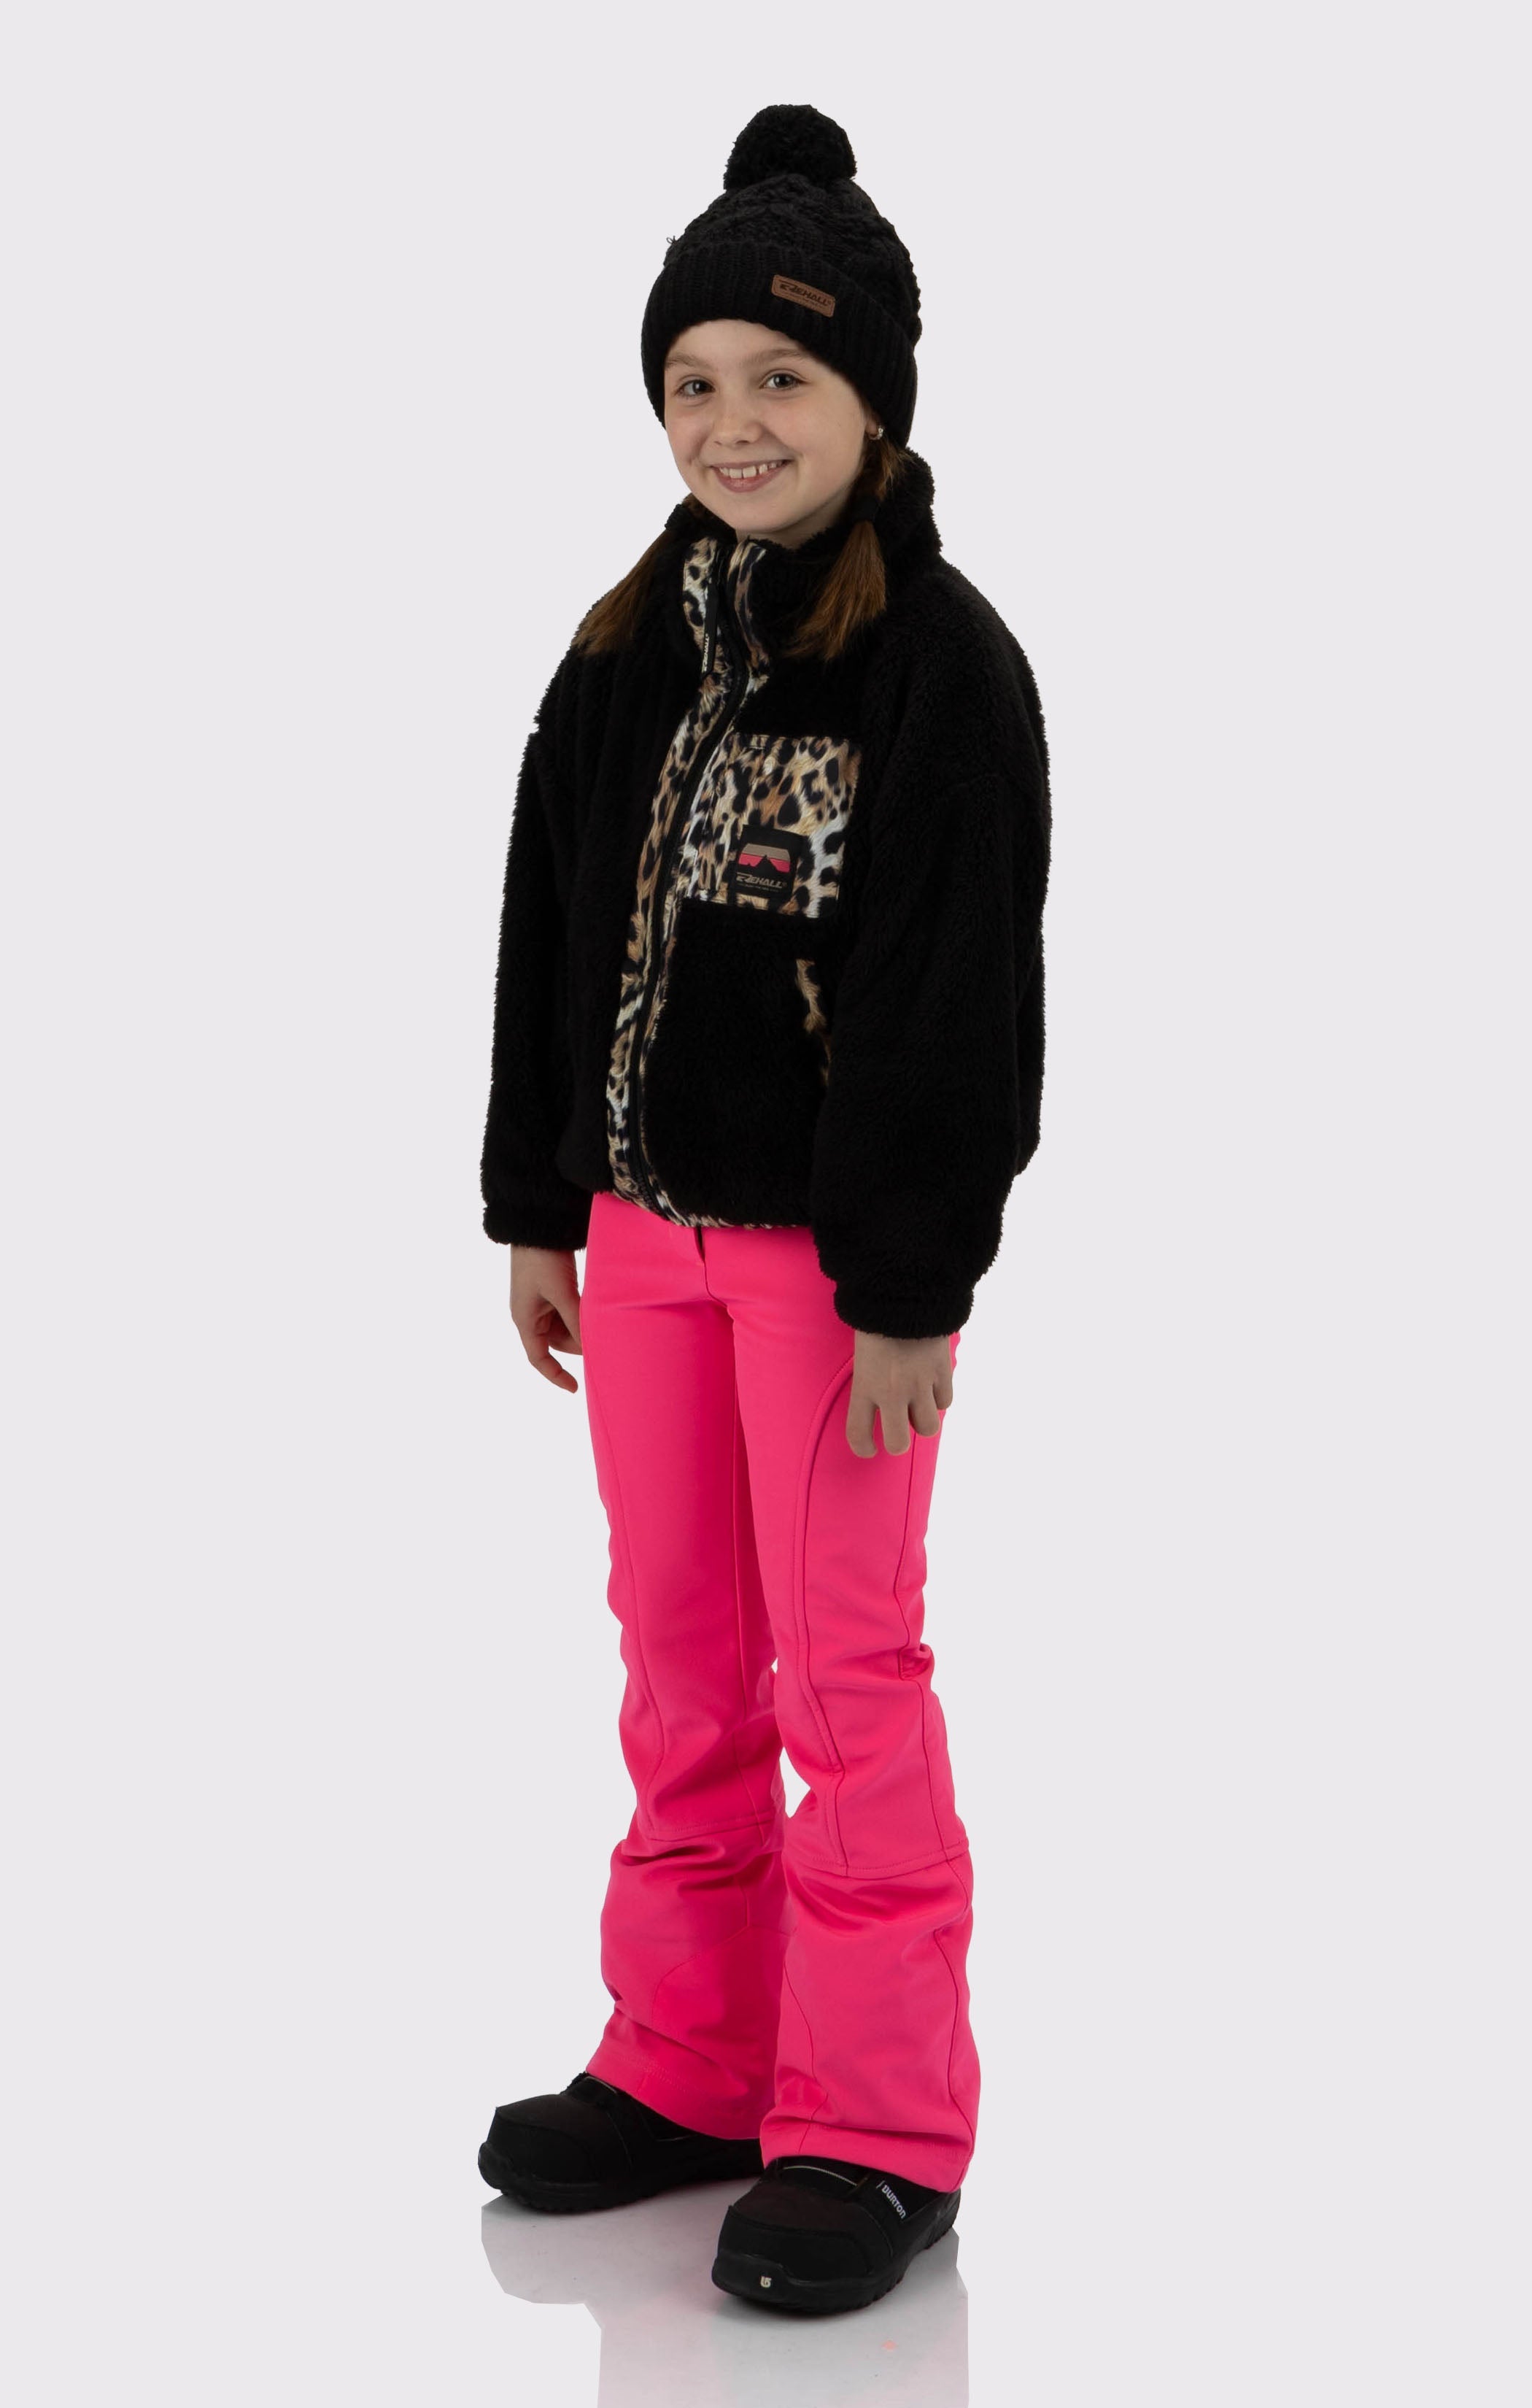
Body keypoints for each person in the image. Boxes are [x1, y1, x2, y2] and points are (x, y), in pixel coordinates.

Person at [476, 102, 1051, 2318]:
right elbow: (544, 928)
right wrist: (541, 1198)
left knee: (847, 1670)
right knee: (684, 1653)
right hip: (639, 1245)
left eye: (781, 378)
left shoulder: (939, 669)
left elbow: (953, 994)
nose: (732, 422)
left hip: (833, 1271)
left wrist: (913, 1283)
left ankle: (876, 2122)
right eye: (693, 380)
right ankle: (695, 2055)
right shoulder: (624, 645)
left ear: (871, 400)